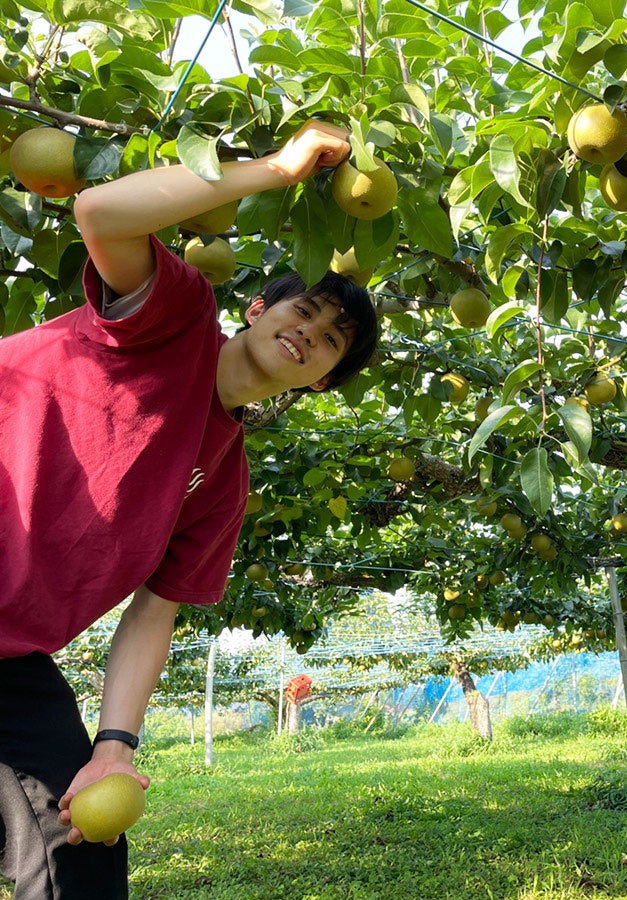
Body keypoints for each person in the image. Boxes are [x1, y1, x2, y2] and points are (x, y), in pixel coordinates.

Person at [0, 120, 379, 898]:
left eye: (334, 339)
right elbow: (101, 212)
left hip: (8, 658)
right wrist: (276, 168)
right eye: (304, 309)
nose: (311, 331)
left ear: (322, 383)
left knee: (82, 855)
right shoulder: (172, 315)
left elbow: (153, 613)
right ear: (257, 307)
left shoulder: (224, 487)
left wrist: (115, 746)